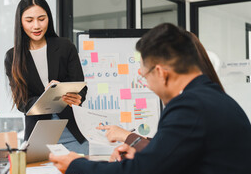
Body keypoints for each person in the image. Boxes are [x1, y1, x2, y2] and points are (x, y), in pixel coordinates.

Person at [50, 23, 251, 174]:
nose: (145, 83)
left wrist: (75, 165)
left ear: (161, 73)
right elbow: (176, 160)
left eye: (144, 76)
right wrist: (147, 156)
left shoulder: (190, 107)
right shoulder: (216, 100)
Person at [96, 31, 226, 145]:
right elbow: (171, 146)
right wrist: (132, 141)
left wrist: (128, 137)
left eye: (145, 73)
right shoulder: (209, 96)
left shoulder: (189, 105)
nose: (148, 84)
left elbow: (164, 156)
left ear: (161, 71)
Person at [4, 0, 88, 155]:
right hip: (38, 133)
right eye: (29, 20)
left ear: (48, 19)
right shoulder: (12, 57)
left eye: (41, 19)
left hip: (72, 130)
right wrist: (48, 96)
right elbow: (21, 102)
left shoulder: (65, 47)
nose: (36, 25)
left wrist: (78, 97)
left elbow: (80, 86)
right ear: (20, 22)